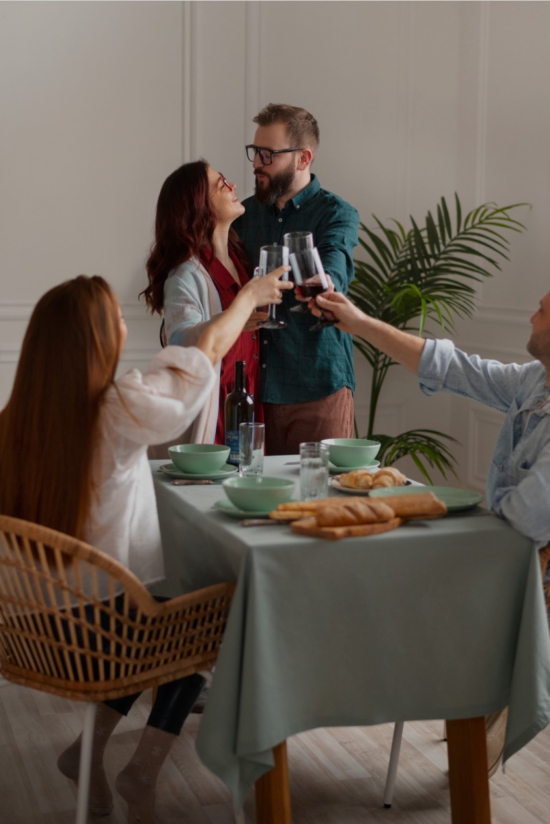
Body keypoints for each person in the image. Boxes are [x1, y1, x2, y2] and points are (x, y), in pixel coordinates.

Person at [0, 272, 287, 824]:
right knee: (224, 606)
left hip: (35, 636)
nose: (127, 325)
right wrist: (248, 296)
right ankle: (144, 769)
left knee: (161, 605)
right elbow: (197, 361)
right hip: (102, 640)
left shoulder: (14, 425)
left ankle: (85, 751)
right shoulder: (115, 410)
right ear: (96, 340)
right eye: (117, 318)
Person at [310, 287, 550, 777]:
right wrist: (358, 323)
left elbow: (526, 519)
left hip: (527, 574)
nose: (530, 315)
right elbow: (455, 367)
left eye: (542, 311)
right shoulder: (537, 383)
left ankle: (340, 686)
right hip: (499, 550)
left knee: (377, 569)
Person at [233, 103, 360, 456]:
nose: (257, 163)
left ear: (303, 159)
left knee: (317, 502)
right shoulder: (242, 218)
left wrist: (324, 283)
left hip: (317, 386)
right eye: (255, 152)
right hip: (255, 392)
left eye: (268, 154)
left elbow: (336, 265)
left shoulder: (337, 213)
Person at [141, 160, 291, 453]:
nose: (233, 186)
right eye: (221, 184)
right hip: (215, 414)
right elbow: (181, 342)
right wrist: (233, 315)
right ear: (200, 206)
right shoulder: (186, 274)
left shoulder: (241, 262)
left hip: (248, 405)